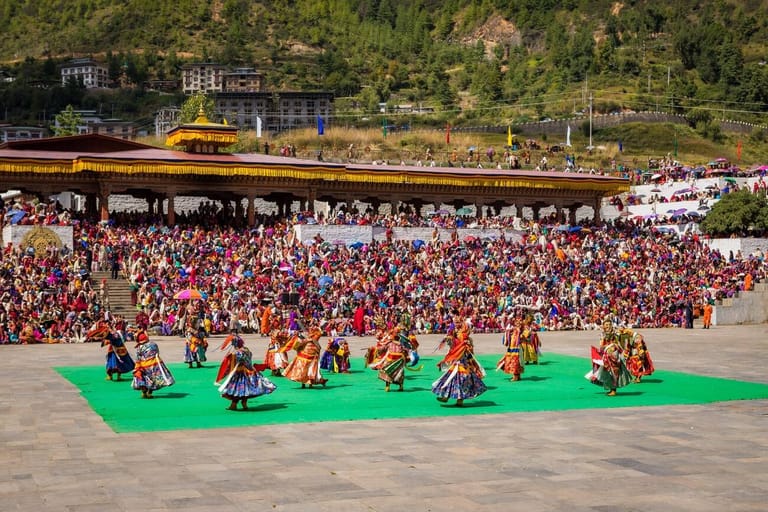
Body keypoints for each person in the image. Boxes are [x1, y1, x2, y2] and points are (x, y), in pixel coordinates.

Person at [215, 332, 276, 410]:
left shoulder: (238, 352)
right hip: (249, 371)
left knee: (237, 389)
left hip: (240, 373)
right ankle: (244, 404)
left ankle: (233, 404)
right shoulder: (246, 350)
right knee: (246, 389)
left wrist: (230, 357)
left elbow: (236, 361)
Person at [432, 323, 487, 406]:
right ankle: (447, 397)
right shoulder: (460, 341)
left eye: (459, 331)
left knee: (458, 382)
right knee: (451, 380)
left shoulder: (465, 342)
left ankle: (456, 400)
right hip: (458, 364)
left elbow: (467, 354)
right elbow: (451, 342)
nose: (458, 332)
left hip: (462, 365)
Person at [587, 320, 632, 396]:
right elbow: (601, 346)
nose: (608, 326)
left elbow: (621, 343)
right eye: (606, 325)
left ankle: (613, 390)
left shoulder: (616, 334)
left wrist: (614, 346)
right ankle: (611, 388)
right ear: (603, 326)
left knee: (614, 372)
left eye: (609, 324)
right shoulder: (602, 335)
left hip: (614, 356)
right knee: (607, 372)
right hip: (606, 356)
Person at [131, 328, 175, 399]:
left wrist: (137, 367)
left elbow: (138, 358)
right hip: (155, 363)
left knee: (144, 378)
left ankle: (144, 392)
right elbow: (157, 352)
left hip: (145, 365)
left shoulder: (140, 348)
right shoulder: (154, 344)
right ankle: (150, 392)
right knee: (153, 379)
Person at [369, 326, 408, 391]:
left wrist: (405, 353)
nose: (396, 334)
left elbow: (406, 350)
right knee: (387, 371)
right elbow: (382, 348)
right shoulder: (389, 342)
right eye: (395, 332)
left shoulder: (401, 342)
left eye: (397, 332)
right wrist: (374, 349)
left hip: (399, 360)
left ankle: (401, 386)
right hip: (390, 359)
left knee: (399, 373)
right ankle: (387, 386)